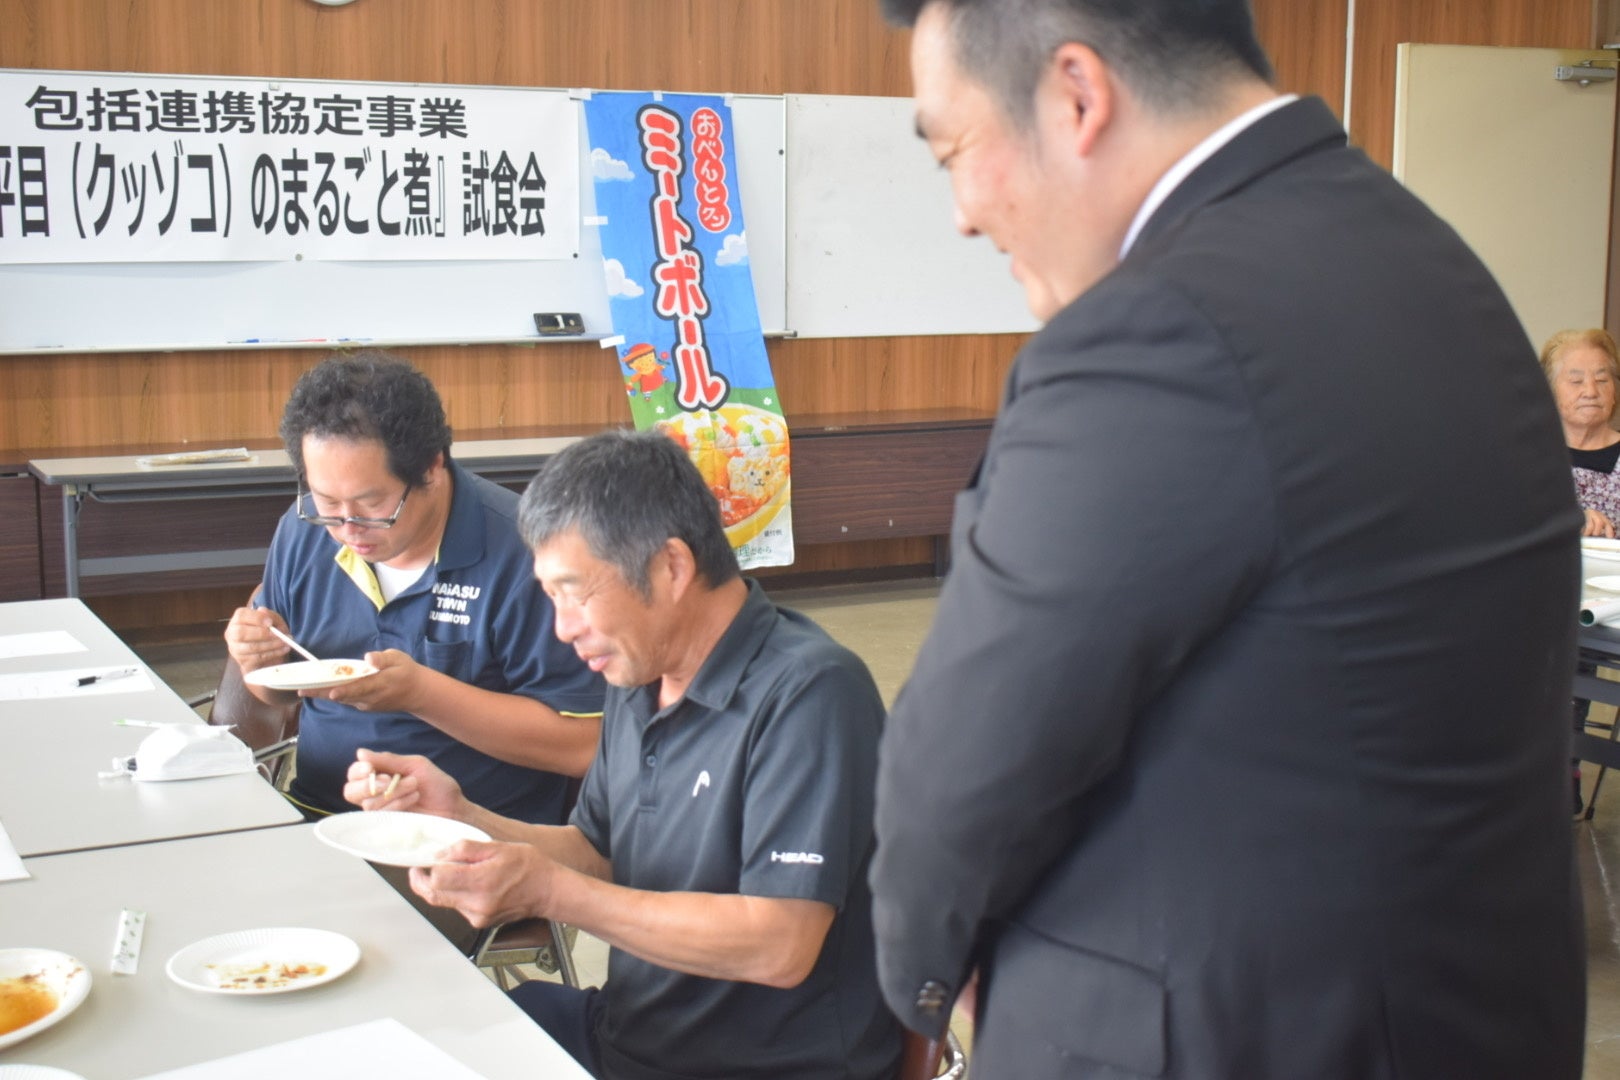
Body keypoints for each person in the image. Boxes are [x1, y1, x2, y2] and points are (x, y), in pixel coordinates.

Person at [866, 2, 1585, 1078]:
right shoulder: (1432, 258)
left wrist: (924, 969)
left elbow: (967, 765)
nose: (965, 213)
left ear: (1076, 95)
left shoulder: (1157, 332)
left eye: (955, 152)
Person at [344, 429, 900, 1080]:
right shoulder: (638, 680)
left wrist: (551, 893)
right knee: (405, 1040)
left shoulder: (811, 693)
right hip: (631, 1038)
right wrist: (463, 818)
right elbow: (598, 852)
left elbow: (779, 943)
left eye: (575, 593)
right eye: (550, 597)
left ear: (670, 567)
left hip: (755, 1066)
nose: (562, 628)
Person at [224, 353, 604, 824]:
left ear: (432, 466)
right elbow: (276, 699)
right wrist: (259, 662)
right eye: (325, 503)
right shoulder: (302, 532)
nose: (347, 528)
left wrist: (421, 694)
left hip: (469, 836)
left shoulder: (527, 555)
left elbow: (585, 746)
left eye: (372, 503)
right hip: (319, 813)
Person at [1542, 327, 1620, 814]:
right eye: (1575, 379)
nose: (1591, 390)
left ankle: (1561, 769)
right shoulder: (1527, 453)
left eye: (1603, 376)